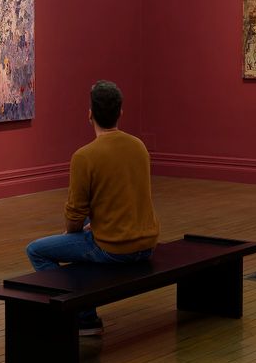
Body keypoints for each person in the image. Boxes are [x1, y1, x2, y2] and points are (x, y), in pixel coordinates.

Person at [26, 80, 158, 335]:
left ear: (90, 114)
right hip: (146, 242)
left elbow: (75, 212)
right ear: (120, 112)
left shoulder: (85, 156)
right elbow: (129, 197)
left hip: (115, 248)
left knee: (36, 251)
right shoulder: (139, 147)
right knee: (84, 237)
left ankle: (84, 318)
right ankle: (85, 313)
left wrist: (72, 233)